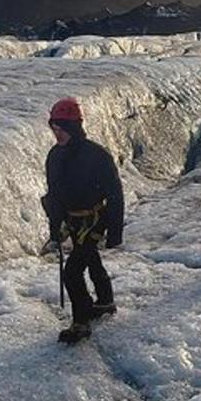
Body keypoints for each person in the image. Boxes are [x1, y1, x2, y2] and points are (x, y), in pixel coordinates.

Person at [41, 97, 124, 344]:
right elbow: (54, 195)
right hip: (73, 221)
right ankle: (106, 300)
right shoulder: (54, 156)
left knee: (72, 273)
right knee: (90, 258)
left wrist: (115, 232)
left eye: (61, 129)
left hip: (96, 220)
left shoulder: (97, 156)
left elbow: (115, 194)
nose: (57, 134)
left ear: (74, 129)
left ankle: (81, 321)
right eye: (54, 129)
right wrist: (55, 228)